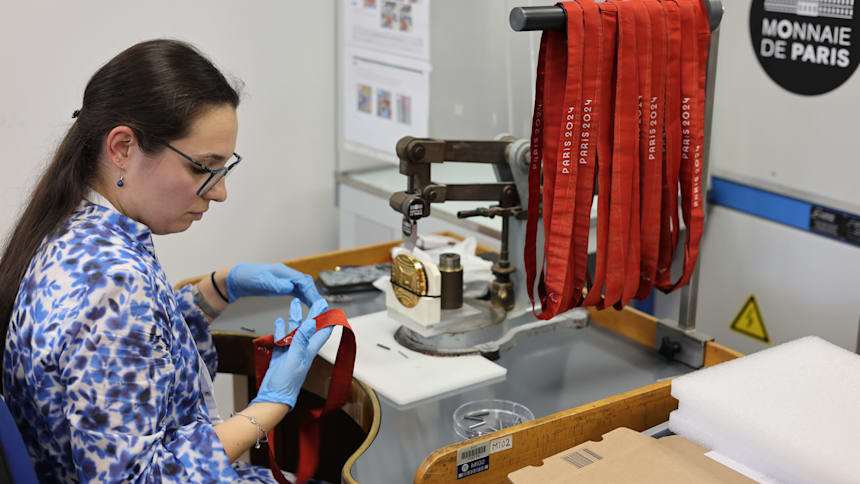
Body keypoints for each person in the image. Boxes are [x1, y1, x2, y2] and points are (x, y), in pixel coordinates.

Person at [0, 39, 333, 483]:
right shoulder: (113, 284)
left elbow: (132, 359)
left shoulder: (70, 228)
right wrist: (268, 407)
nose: (219, 192)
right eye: (201, 168)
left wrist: (217, 288)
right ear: (122, 147)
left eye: (223, 168)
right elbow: (137, 478)